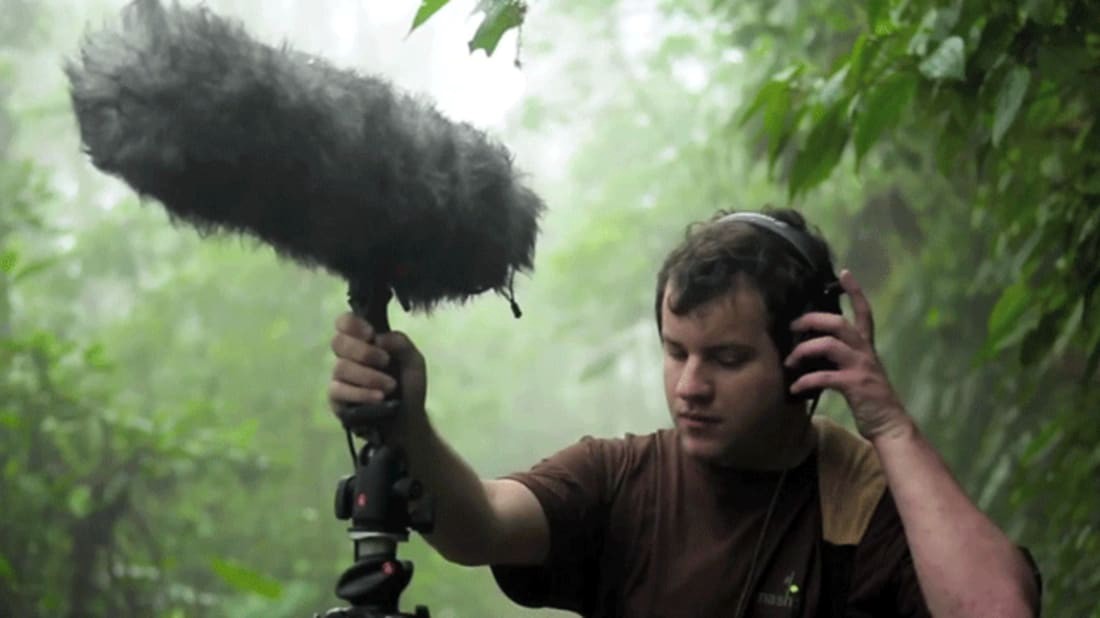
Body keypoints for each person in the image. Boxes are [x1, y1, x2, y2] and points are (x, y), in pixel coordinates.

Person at [327, 208, 1041, 617]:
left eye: (727, 360)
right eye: (676, 353)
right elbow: (479, 526)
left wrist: (886, 425)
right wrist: (410, 423)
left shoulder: (860, 502)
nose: (689, 386)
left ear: (804, 359)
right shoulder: (621, 478)